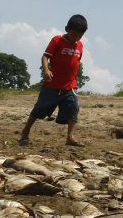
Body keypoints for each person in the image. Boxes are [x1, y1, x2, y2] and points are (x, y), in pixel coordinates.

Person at [18, 14, 86, 147]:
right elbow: (45, 56)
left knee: (73, 108)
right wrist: (46, 70)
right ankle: (26, 131)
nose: (76, 38)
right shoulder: (57, 40)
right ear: (67, 29)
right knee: (39, 109)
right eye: (73, 35)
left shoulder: (80, 45)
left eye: (79, 36)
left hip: (70, 86)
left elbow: (75, 63)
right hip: (52, 85)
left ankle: (70, 137)